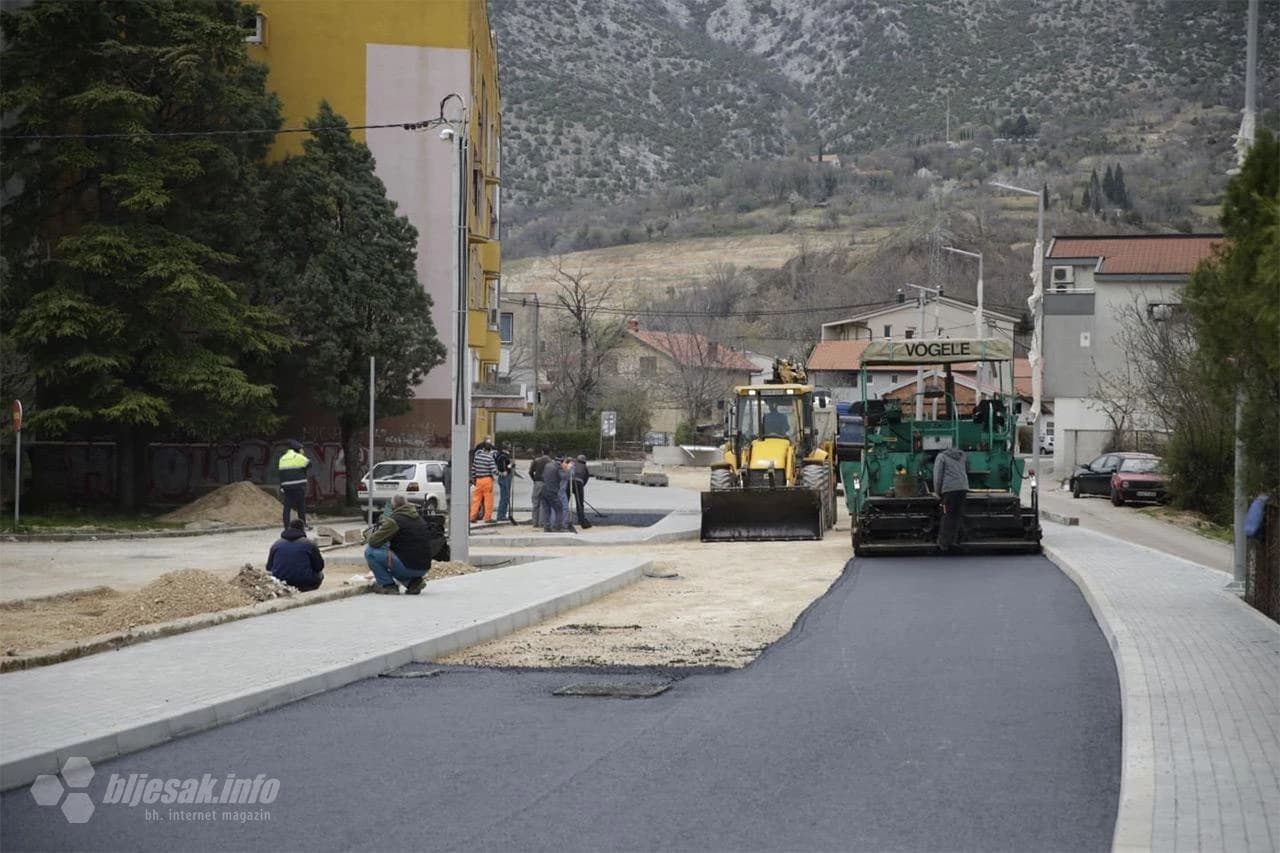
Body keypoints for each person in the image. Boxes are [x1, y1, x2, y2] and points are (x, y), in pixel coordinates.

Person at [363, 494, 432, 595]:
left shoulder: (395, 520)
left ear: (393, 506)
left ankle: (388, 585)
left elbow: (374, 541)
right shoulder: (419, 519)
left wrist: (372, 534)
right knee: (398, 559)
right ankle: (413, 583)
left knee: (370, 552)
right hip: (424, 567)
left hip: (408, 567)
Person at [266, 519, 325, 592]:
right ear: (302, 529)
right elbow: (319, 566)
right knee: (320, 574)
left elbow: (269, 567)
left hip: (281, 582)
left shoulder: (276, 544)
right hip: (305, 583)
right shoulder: (309, 544)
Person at [933, 447, 969, 552]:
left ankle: (943, 543)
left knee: (947, 515)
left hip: (949, 490)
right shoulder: (962, 455)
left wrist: (937, 492)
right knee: (957, 515)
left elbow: (938, 476)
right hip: (963, 489)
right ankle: (955, 541)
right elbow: (967, 470)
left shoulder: (941, 457)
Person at [277, 439, 311, 532]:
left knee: (287, 506)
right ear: (297, 449)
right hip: (298, 485)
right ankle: (303, 525)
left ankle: (286, 527)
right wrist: (302, 456)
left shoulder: (283, 458)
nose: (302, 450)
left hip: (286, 486)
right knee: (301, 505)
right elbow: (309, 464)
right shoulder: (298, 457)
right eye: (301, 449)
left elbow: (281, 472)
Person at [470, 439, 497, 523]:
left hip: (478, 480)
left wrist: (474, 479)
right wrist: (501, 473)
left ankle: (472, 517)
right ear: (489, 450)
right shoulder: (489, 458)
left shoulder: (477, 457)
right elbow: (494, 471)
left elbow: (473, 469)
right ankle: (487, 518)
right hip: (487, 480)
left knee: (476, 499)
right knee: (488, 500)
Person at [540, 453, 565, 532]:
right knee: (559, 508)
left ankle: (546, 527)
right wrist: (567, 468)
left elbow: (543, 476)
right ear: (562, 461)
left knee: (546, 510)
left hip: (543, 490)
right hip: (552, 491)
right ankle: (557, 527)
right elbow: (564, 476)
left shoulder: (547, 465)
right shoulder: (558, 467)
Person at [529, 448, 552, 528]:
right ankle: (542, 522)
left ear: (542, 452)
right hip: (546, 483)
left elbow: (530, 472)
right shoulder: (551, 462)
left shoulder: (536, 460)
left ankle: (535, 523)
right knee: (544, 503)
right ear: (549, 453)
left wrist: (534, 480)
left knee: (535, 503)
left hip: (537, 482)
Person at [494, 443, 515, 524]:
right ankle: (501, 515)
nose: (510, 449)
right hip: (505, 477)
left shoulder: (500, 455)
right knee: (505, 496)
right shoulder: (503, 456)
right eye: (509, 447)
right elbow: (505, 466)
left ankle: (502, 514)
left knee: (506, 496)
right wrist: (511, 465)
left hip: (505, 476)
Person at [571, 454, 593, 529]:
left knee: (565, 501)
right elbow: (586, 478)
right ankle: (581, 520)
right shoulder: (585, 467)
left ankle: (562, 519)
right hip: (579, 483)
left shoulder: (573, 464)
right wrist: (581, 487)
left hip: (570, 482)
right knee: (580, 503)